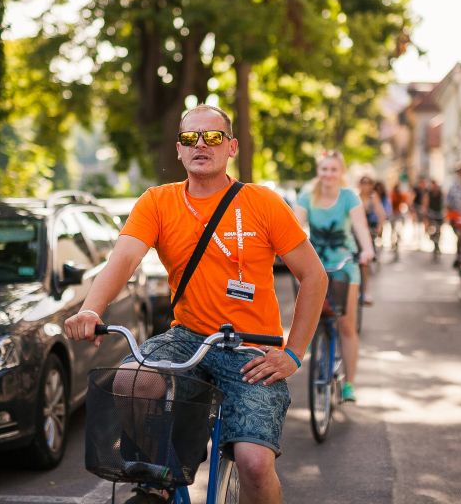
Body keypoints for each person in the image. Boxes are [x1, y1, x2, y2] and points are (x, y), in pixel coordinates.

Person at [64, 104, 327, 504]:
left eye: (213, 136)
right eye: (190, 138)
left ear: (232, 146)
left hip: (251, 348)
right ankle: (161, 476)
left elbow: (314, 276)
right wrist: (91, 309)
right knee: (132, 379)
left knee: (255, 464)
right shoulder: (157, 202)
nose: (201, 144)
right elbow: (123, 260)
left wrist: (293, 352)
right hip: (187, 337)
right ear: (179, 150)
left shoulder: (262, 202)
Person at [295, 151, 374, 402]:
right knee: (309, 314)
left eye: (333, 170)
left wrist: (367, 249)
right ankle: (306, 343)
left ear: (340, 173)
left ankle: (349, 383)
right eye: (324, 169)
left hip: (343, 265)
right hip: (315, 265)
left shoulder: (349, 197)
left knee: (346, 325)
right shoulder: (307, 196)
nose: (328, 174)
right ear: (319, 172)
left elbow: (360, 227)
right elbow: (294, 226)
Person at [357, 175, 386, 306]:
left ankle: (365, 291)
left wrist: (380, 227)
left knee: (364, 263)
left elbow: (381, 214)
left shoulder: (373, 197)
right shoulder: (355, 197)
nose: (365, 186)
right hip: (355, 231)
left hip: (368, 231)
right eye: (363, 183)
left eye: (368, 183)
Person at [425, 178, 444, 254]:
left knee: (439, 230)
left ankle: (437, 244)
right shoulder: (428, 194)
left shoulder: (441, 193)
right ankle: (434, 242)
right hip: (431, 214)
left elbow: (444, 204)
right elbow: (425, 203)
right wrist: (426, 214)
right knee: (431, 230)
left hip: (439, 214)